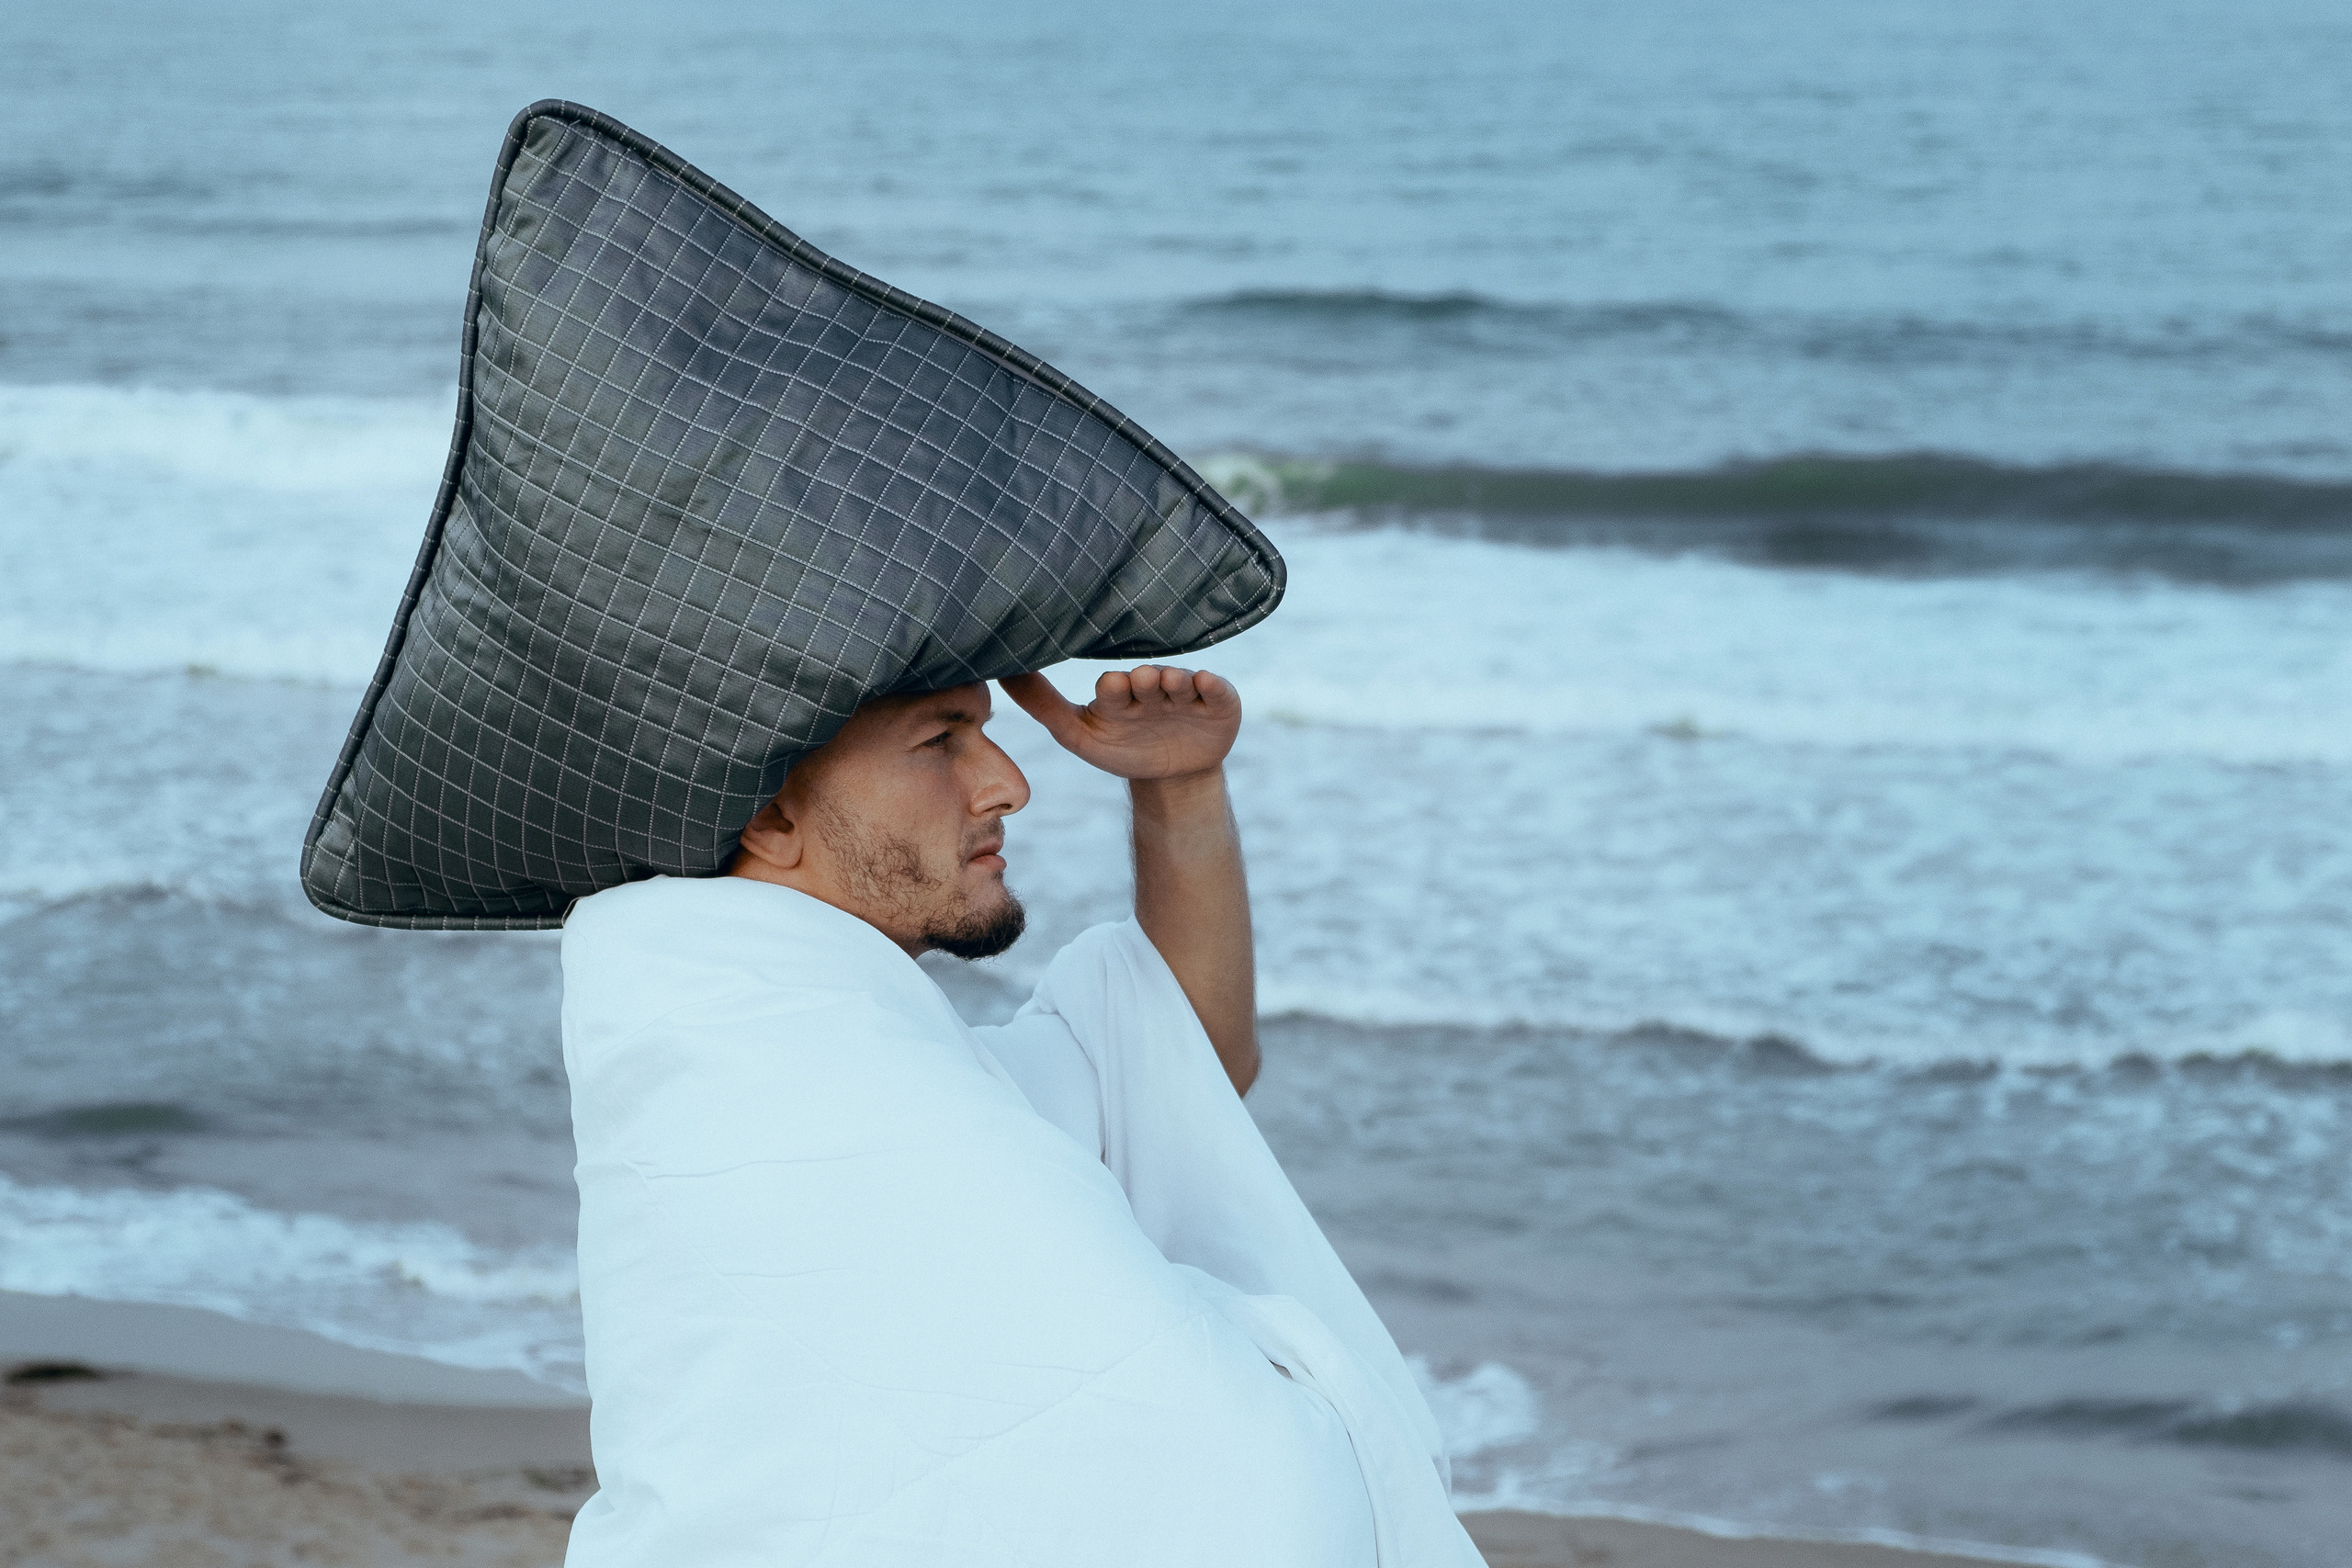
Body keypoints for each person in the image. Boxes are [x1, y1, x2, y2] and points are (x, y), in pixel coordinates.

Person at [557, 665, 1485, 1566]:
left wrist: (1180, 785)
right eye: (941, 741)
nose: (1009, 784)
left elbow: (1180, 1064)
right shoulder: (732, 1040)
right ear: (770, 815)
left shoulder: (877, 1055)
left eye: (986, 732)